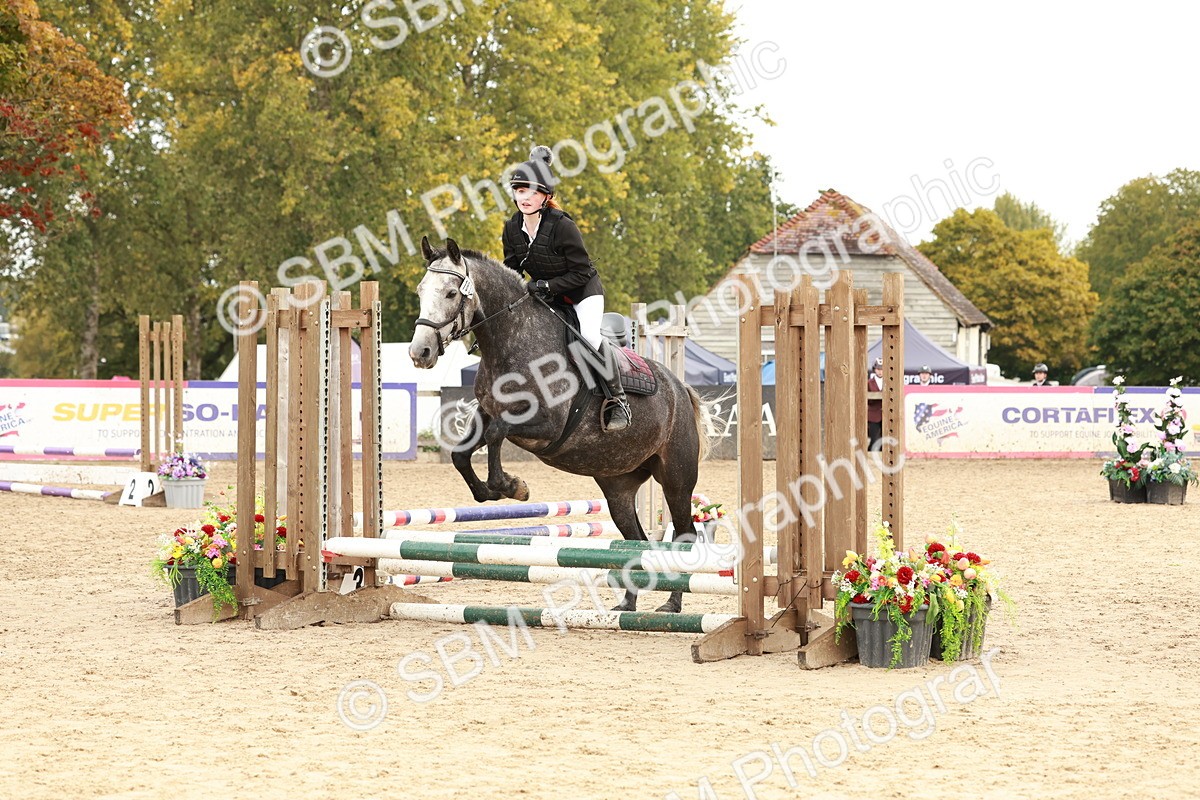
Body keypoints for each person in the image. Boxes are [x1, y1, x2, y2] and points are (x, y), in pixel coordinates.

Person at [501, 145, 631, 432]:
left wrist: (547, 285)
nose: (525, 197)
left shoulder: (562, 226)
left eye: (532, 192)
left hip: (582, 292)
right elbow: (511, 270)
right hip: (548, 297)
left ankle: (618, 400)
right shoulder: (511, 228)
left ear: (546, 197)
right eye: (520, 191)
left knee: (587, 337)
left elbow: (581, 272)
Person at [866, 357, 884, 449]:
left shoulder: (889, 382)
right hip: (873, 415)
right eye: (878, 369)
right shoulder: (869, 383)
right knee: (874, 439)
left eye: (882, 369)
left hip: (887, 414)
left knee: (885, 439)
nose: (880, 371)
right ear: (874, 370)